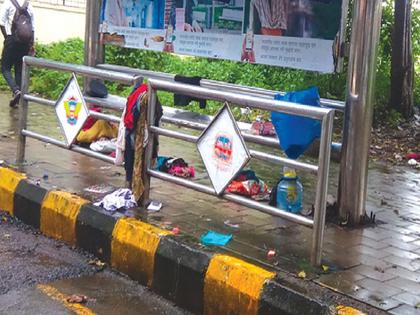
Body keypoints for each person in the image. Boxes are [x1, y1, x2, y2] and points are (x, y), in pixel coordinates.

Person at [0, 0, 35, 107]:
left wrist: (7, 38)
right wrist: (31, 45)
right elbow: (32, 28)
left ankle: (16, 91)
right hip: (25, 42)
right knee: (19, 69)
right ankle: (17, 99)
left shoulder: (8, 3)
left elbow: (1, 23)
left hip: (12, 39)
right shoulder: (29, 5)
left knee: (5, 68)